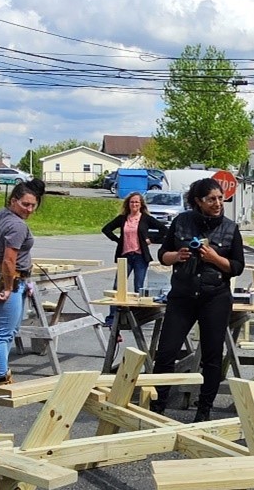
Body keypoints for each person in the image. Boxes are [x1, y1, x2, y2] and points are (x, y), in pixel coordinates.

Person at [148, 178, 245, 422]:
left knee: (212, 355)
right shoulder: (181, 222)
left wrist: (214, 258)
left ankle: (204, 409)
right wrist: (176, 256)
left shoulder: (231, 228)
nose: (218, 203)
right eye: (211, 199)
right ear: (198, 201)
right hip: (183, 296)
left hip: (215, 297)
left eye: (220, 198)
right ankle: (159, 405)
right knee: (166, 352)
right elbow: (162, 255)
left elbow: (237, 267)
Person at [0, 179, 46, 383]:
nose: (29, 209)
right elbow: (8, 259)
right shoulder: (16, 225)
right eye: (25, 204)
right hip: (9, 281)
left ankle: (0, 372)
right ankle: (1, 377)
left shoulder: (0, 215)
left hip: (13, 279)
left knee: (10, 330)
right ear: (13, 200)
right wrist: (10, 286)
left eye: (33, 205)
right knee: (3, 334)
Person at [100, 191, 167, 322]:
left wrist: (151, 239)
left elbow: (164, 230)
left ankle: (138, 317)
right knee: (117, 287)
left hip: (140, 256)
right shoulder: (122, 218)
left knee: (138, 287)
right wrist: (118, 240)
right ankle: (112, 317)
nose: (134, 204)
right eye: (132, 202)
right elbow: (106, 229)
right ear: (128, 204)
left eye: (137, 202)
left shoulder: (146, 218)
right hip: (125, 256)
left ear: (141, 204)